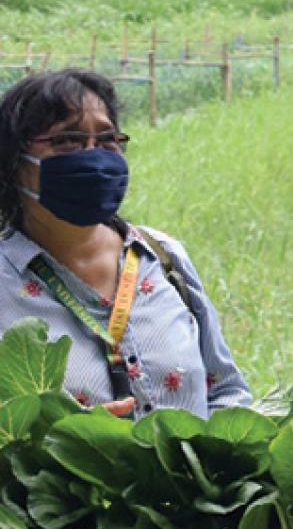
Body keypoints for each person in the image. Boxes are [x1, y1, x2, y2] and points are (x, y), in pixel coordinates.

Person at [0, 69, 249, 418]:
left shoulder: (163, 257)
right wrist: (59, 443)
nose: (92, 155)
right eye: (67, 140)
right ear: (15, 161)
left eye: (106, 139)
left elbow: (225, 390)